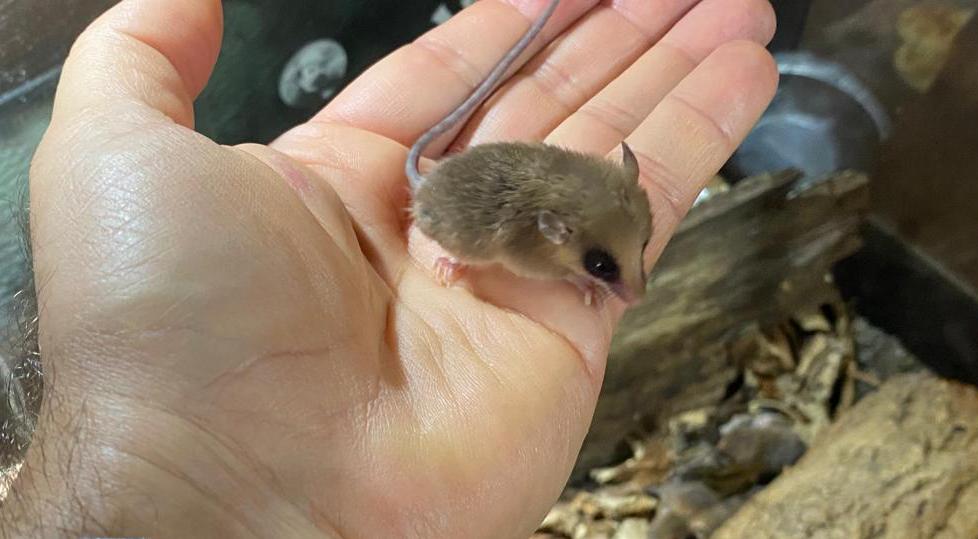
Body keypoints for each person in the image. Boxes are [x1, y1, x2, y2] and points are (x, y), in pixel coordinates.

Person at [5, 0, 777, 536]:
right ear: (557, 230)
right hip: (456, 211)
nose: (624, 284)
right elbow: (512, 251)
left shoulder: (582, 207)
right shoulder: (531, 236)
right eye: (607, 265)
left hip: (496, 184)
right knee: (466, 231)